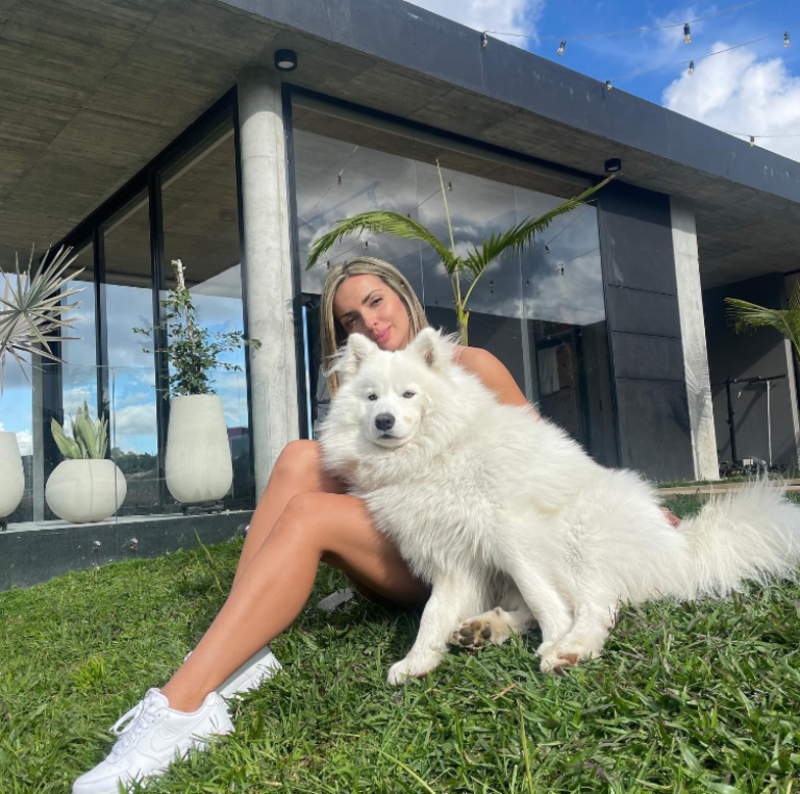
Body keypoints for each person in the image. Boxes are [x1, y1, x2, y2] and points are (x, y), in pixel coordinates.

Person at [72, 256, 679, 794]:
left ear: (403, 297)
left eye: (375, 302)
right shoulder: (365, 387)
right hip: (402, 538)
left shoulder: (469, 363)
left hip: (450, 556)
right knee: (299, 457)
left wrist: (627, 500)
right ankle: (237, 645)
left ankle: (182, 706)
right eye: (351, 320)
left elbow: (546, 450)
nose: (369, 322)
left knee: (310, 514)